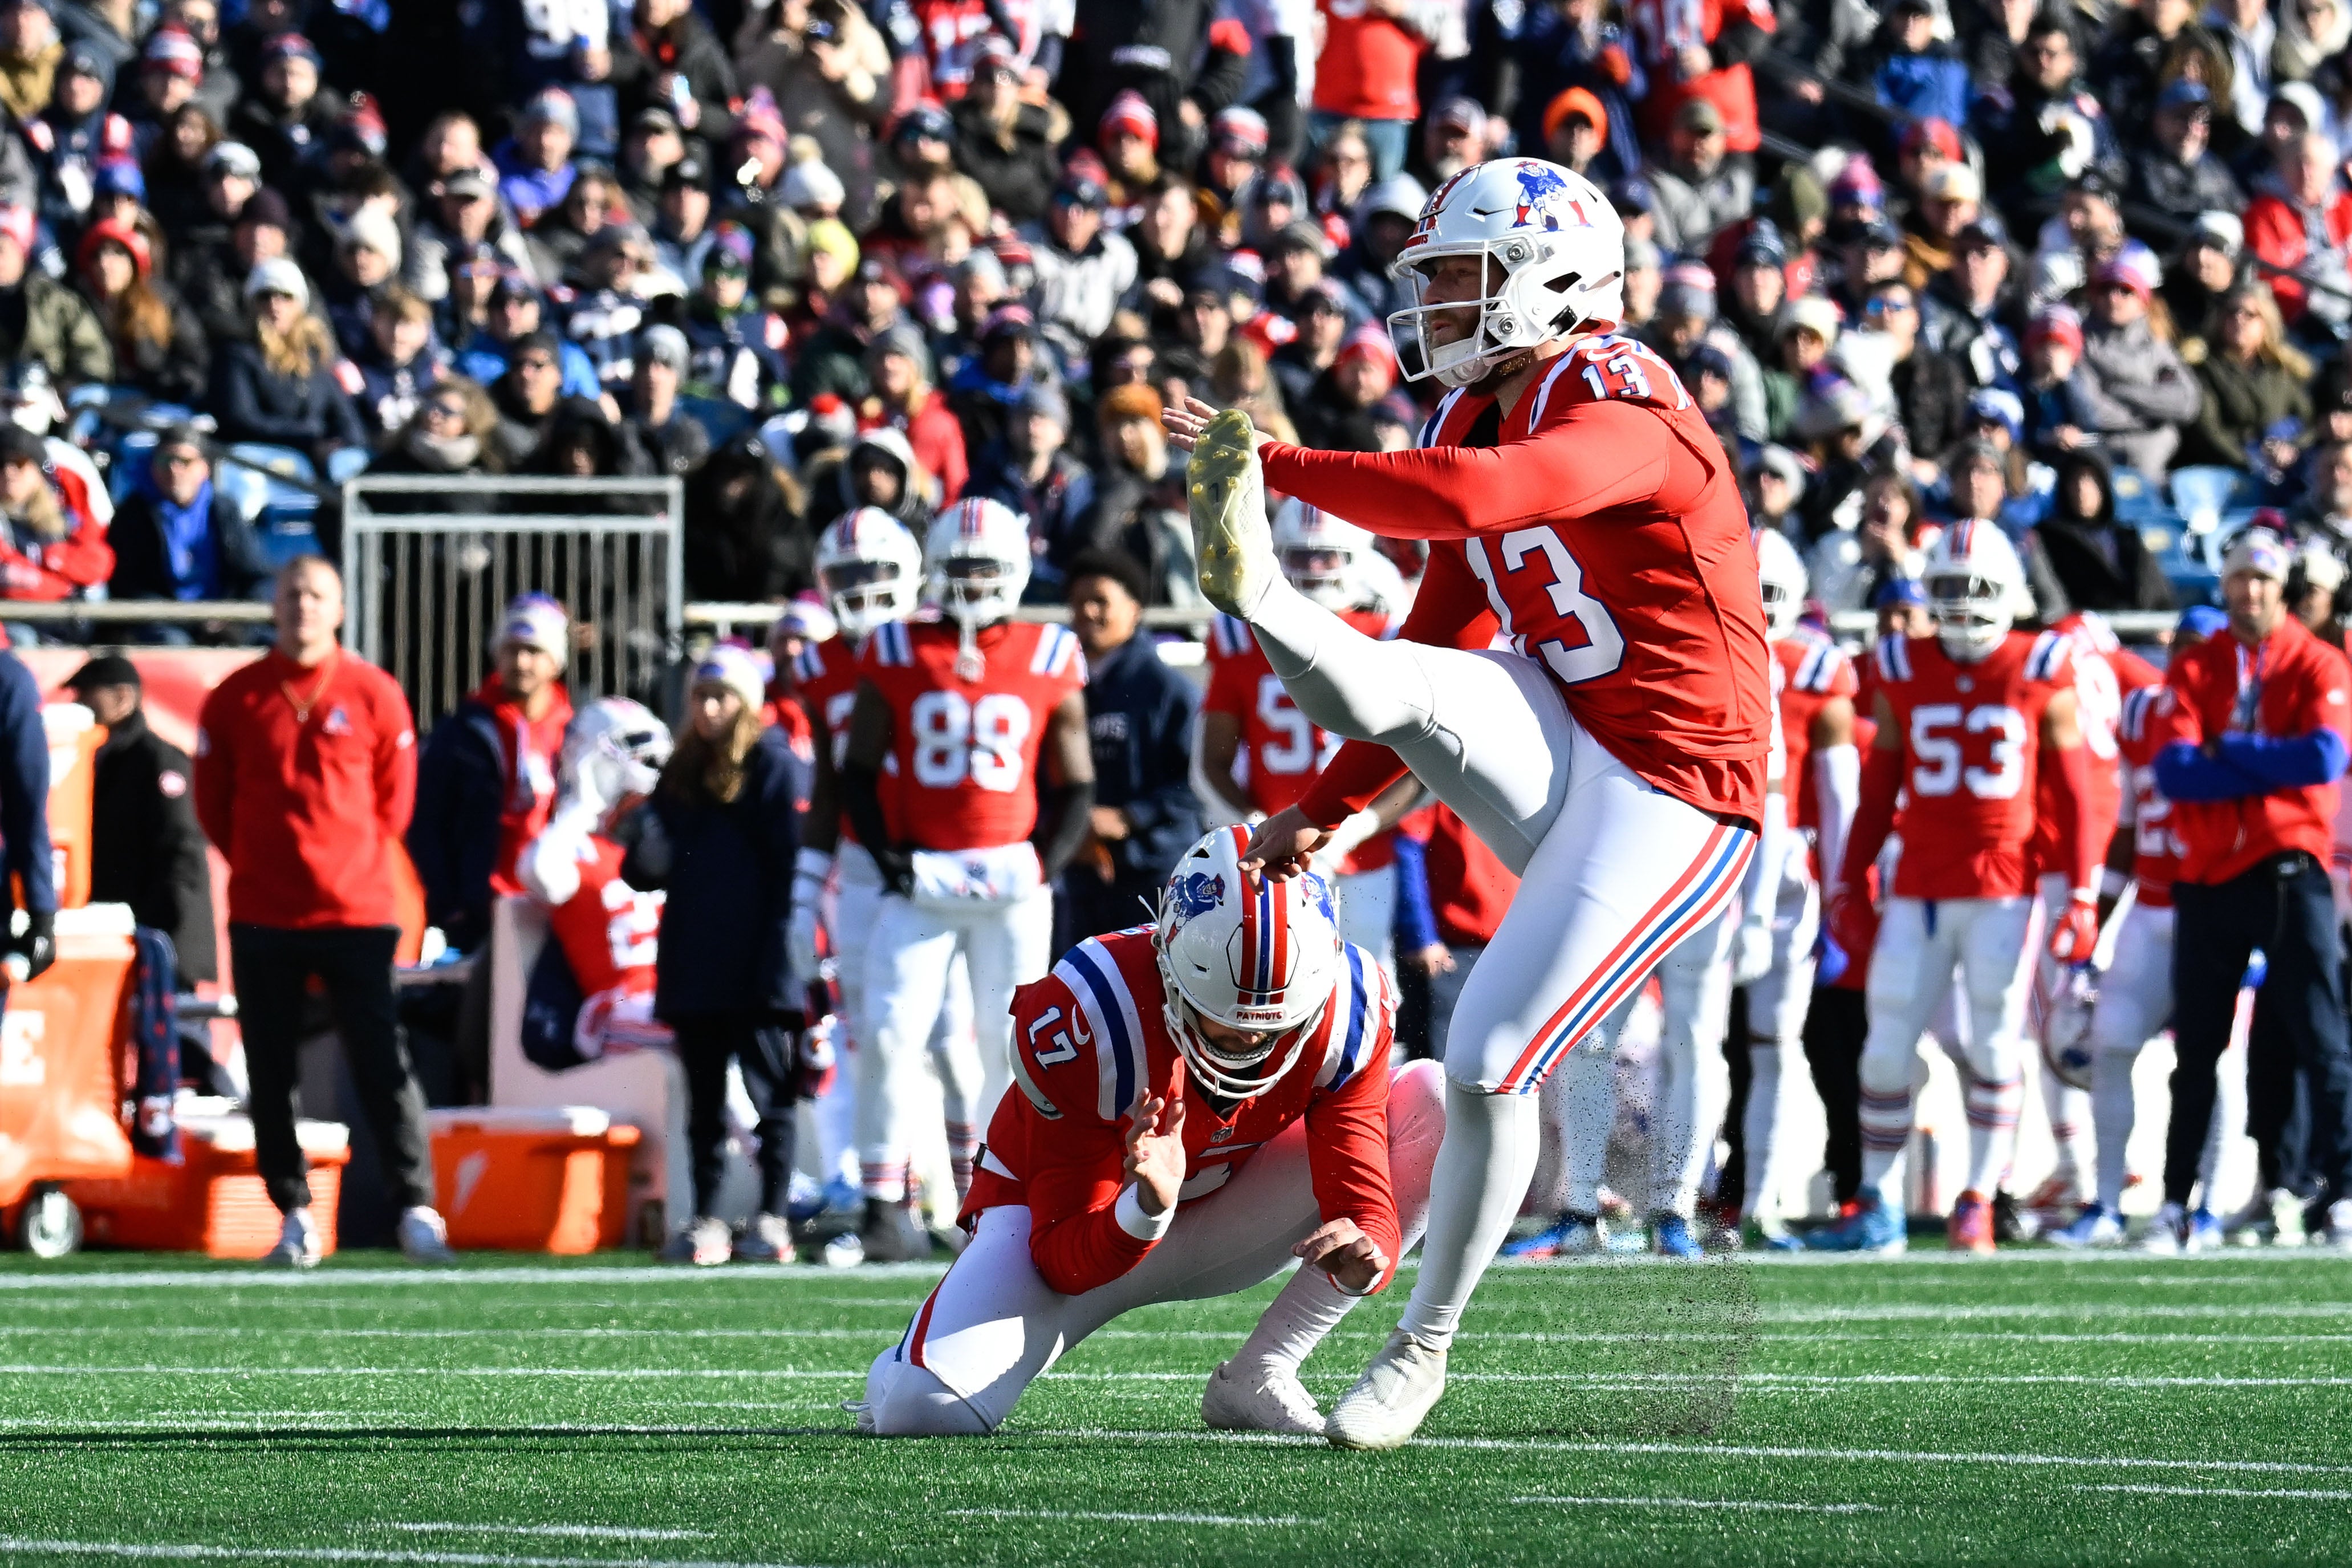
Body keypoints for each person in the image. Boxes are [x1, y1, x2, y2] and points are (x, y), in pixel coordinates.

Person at [1162, 156, 1768, 1449]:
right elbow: (1440, 626)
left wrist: (1275, 460)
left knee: (1492, 1053)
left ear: (1550, 279)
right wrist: (1333, 805)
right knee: (1407, 668)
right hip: (1565, 731)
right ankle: (1263, 596)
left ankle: (1422, 1347)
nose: (1431, 303)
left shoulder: (1624, 394)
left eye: (1455, 276)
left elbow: (1478, 502)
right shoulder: (1467, 411)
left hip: (1677, 783)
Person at [859, 826, 1445, 1437]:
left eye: (1274, 1027)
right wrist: (1144, 1204)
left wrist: (1371, 1246)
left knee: (1434, 1100)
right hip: (1076, 1228)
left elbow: (1360, 1192)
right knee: (920, 1409)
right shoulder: (1089, 1010)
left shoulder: (1350, 1000)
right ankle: (906, 1363)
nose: (1248, 1042)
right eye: (1221, 1022)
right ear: (1169, 966)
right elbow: (1060, 1258)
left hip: (1232, 1206)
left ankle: (1264, 1368)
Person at [1814, 524, 2098, 1255]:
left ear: (2010, 593)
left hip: (2006, 884)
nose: (1962, 604)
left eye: (1975, 589)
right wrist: (1848, 880)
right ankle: (1874, 1199)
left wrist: (2085, 894)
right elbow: (1879, 788)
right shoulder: (1903, 663)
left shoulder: (2042, 663)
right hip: (1918, 885)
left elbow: (2077, 795)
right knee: (1883, 1049)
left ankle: (1979, 1196)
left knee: (1995, 1036)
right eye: (1946, 588)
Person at [838, 497, 1095, 1262]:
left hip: (1011, 877)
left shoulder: (1049, 651)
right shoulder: (895, 646)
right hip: (924, 874)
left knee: (1009, 1041)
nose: (974, 580)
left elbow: (1077, 778)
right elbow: (855, 767)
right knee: (888, 1034)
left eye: (987, 566)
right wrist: (890, 860)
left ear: (1014, 569)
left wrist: (1043, 861)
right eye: (961, 566)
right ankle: (885, 1203)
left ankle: (999, 1199)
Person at [190, 556, 452, 1268]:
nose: (302, 606)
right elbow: (214, 804)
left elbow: (395, 805)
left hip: (357, 911)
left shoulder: (373, 691)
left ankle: (416, 1206)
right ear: (273, 604)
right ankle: (293, 1209)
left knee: (381, 1061)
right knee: (271, 1070)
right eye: (291, 594)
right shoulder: (237, 696)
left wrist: (347, 860)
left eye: (316, 595)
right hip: (264, 912)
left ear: (337, 607)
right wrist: (259, 860)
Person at [2148, 527, 2352, 1248]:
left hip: (2290, 871)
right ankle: (2176, 1201)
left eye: (2263, 579)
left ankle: (2344, 1192)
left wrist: (2229, 749)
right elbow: (2173, 770)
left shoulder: (2318, 658)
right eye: (2239, 578)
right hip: (2209, 874)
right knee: (2196, 1047)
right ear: (2225, 585)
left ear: (2282, 585)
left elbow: (2324, 756)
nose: (2251, 591)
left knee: (2320, 1037)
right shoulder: (2197, 666)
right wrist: (2269, 764)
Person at [786, 507, 983, 1241]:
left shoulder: (944, 647)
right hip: (866, 873)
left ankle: (975, 1204)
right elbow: (837, 783)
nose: (863, 589)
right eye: (848, 576)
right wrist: (806, 888)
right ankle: (887, 1198)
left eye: (877, 572)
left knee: (959, 1044)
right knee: (878, 1039)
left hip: (942, 864)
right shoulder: (819, 663)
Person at [623, 645, 808, 1266]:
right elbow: (646, 871)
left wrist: (784, 959)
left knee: (769, 1095)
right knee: (704, 1103)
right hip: (696, 959)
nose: (708, 708)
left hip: (757, 960)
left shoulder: (773, 764)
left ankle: (772, 1215)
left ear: (748, 701)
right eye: (699, 695)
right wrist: (636, 820)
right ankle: (705, 1216)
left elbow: (790, 867)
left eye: (721, 695)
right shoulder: (681, 771)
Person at [2050, 607, 2229, 1249]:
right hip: (2152, 907)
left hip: (2216, 906)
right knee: (2113, 1040)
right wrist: (2093, 917)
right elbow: (2125, 826)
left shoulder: (2238, 714)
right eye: (2179, 644)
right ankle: (2105, 1203)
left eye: (2199, 646)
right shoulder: (2142, 713)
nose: (2186, 657)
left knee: (2210, 1056)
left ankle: (2203, 1206)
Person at [1199, 503, 1414, 970]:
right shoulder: (1241, 635)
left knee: (1365, 981)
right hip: (1273, 859)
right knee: (1274, 978)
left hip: (1362, 856)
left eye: (1328, 557)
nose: (1314, 569)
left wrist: (1352, 831)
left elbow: (1415, 770)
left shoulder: (1389, 635)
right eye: (1299, 556)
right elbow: (1210, 760)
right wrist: (1255, 823)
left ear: (1356, 557)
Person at [1740, 530, 1857, 1249]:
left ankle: (1756, 1195)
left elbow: (1838, 797)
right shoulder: (1699, 649)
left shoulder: (1817, 666)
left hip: (1786, 871)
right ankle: (1685, 1199)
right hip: (1714, 858)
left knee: (1773, 1042)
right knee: (1701, 1040)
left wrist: (1840, 894)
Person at [408, 594, 576, 960]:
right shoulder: (460, 733)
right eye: (511, 650)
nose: (521, 662)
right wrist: (449, 904)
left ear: (555, 661)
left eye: (533, 651)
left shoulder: (576, 734)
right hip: (481, 911)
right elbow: (425, 822)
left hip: (558, 907)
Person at [514, 698, 675, 1070]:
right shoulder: (576, 852)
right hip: (615, 1013)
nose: (647, 766)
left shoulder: (656, 848)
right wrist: (583, 800)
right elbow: (537, 873)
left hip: (667, 1000)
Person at [1060, 547, 1203, 943]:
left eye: (1100, 601)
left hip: (1155, 871)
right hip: (1082, 874)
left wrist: (1128, 818)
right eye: (1077, 603)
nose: (1087, 612)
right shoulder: (1063, 685)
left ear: (1135, 609)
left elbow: (1199, 780)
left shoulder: (1168, 690)